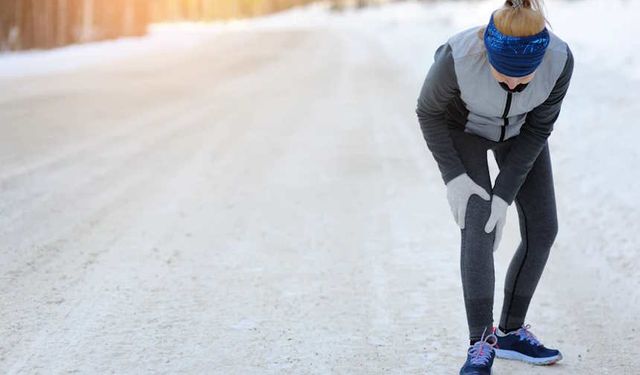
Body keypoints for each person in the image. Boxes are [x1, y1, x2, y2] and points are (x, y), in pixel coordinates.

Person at [414, 0, 574, 374]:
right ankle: (480, 343)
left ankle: (511, 332)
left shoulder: (559, 61)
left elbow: (538, 128)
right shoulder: (458, 57)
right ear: (487, 52)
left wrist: (505, 193)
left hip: (520, 134)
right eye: (503, 76)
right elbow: (428, 112)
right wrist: (454, 176)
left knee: (543, 228)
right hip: (463, 130)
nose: (513, 84)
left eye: (523, 78)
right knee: (479, 225)